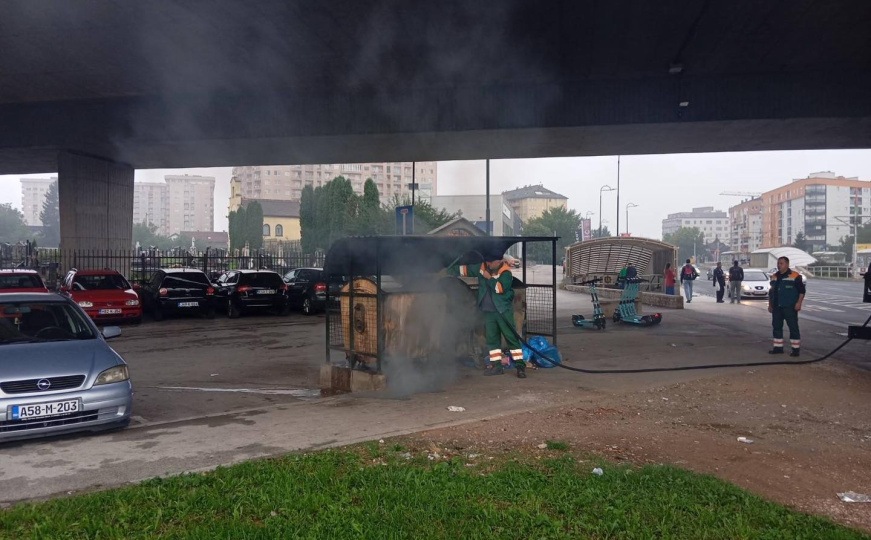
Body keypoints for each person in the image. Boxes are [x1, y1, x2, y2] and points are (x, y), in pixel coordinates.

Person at [448, 254, 526, 378]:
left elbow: (499, 289)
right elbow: (465, 270)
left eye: (491, 262)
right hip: (488, 312)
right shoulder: (482, 267)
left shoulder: (506, 273)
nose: (488, 264)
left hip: (502, 312)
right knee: (492, 340)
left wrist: (489, 278)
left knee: (511, 338)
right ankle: (496, 366)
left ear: (500, 261)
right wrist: (449, 267)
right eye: (487, 261)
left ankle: (520, 366)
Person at [768, 256, 806, 357]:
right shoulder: (774, 276)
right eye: (778, 263)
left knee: (793, 328)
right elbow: (771, 292)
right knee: (776, 327)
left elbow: (802, 291)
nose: (779, 265)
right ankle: (778, 348)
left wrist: (799, 303)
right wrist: (770, 304)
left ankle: (795, 349)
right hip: (777, 307)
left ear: (787, 264)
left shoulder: (795, 276)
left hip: (790, 307)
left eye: (781, 263)